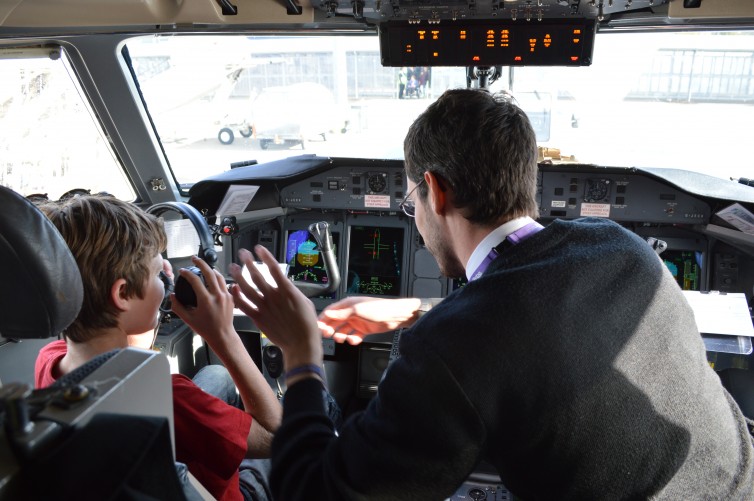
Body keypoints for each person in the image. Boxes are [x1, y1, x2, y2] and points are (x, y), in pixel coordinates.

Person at [229, 88, 754, 500]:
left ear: (436, 191)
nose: (414, 217)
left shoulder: (449, 353)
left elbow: (317, 491)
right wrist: (413, 312)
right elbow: (531, 314)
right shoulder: (622, 249)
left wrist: (300, 354)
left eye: (412, 198)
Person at [34, 195, 282, 501]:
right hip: (228, 493)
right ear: (123, 293)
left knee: (216, 374)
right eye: (155, 273)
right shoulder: (170, 396)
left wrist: (144, 300)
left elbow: (116, 348)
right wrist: (224, 335)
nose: (165, 276)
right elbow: (274, 435)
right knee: (306, 424)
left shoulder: (50, 358)